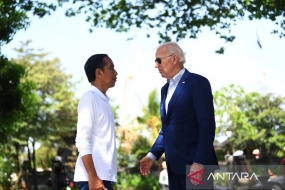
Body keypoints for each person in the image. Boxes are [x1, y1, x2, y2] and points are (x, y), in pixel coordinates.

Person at [139, 42, 219, 190]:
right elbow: (167, 129)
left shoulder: (197, 83)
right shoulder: (164, 90)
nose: (156, 65)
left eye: (158, 60)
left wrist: (199, 163)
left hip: (197, 168)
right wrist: (151, 156)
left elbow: (207, 126)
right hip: (174, 169)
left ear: (174, 58)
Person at [73, 54, 118, 190]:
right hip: (92, 179)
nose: (116, 73)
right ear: (99, 73)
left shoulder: (104, 101)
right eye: (111, 68)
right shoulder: (90, 98)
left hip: (103, 177)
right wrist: (92, 176)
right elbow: (82, 140)